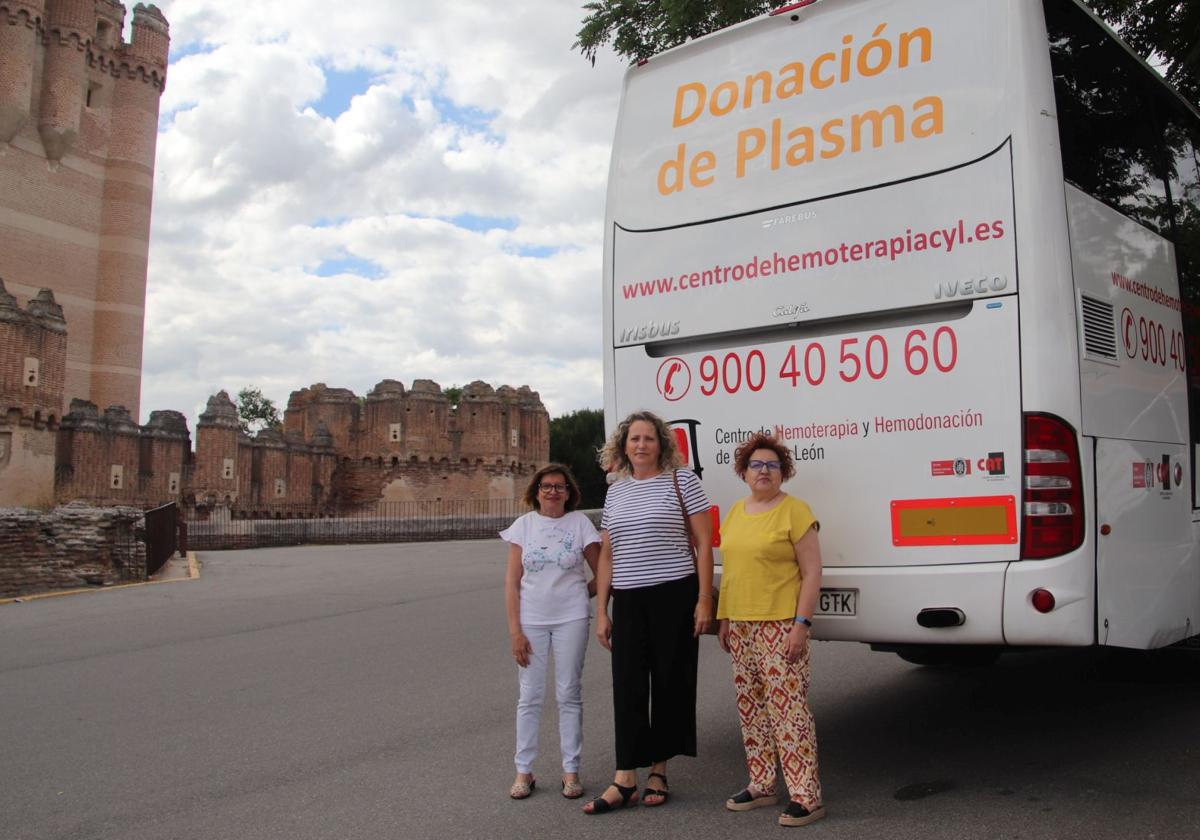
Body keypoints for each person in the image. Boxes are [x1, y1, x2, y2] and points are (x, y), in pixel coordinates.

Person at [583, 410, 714, 814]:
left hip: (674, 593)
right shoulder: (616, 490)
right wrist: (603, 610)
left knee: (671, 682)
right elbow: (607, 553)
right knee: (628, 684)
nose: (641, 445)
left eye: (649, 438)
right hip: (629, 599)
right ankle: (624, 777)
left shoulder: (682, 481)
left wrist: (704, 599)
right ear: (623, 446)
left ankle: (658, 769)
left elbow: (704, 544)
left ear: (662, 444)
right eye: (634, 439)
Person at [717, 432, 826, 827]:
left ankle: (806, 795)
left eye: (772, 465)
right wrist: (725, 618)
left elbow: (812, 571)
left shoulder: (795, 511)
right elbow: (730, 572)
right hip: (742, 625)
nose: (764, 471)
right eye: (756, 465)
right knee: (751, 709)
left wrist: (801, 624)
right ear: (744, 473)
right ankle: (762, 783)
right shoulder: (734, 512)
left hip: (781, 624)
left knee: (789, 711)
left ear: (784, 473)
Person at [501, 463, 601, 801]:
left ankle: (570, 770)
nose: (553, 492)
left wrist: (580, 595)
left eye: (559, 486)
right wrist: (516, 631)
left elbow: (603, 572)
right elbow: (512, 584)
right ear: (536, 491)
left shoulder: (580, 524)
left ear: (569, 492)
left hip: (571, 618)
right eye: (546, 486)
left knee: (568, 693)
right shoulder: (524, 527)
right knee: (529, 696)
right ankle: (523, 770)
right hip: (532, 619)